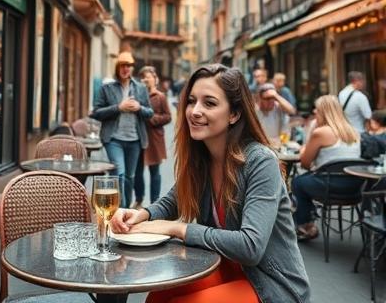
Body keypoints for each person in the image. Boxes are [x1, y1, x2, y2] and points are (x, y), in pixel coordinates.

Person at [111, 64, 310, 303]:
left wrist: (177, 229)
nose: (194, 111)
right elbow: (172, 202)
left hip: (271, 284)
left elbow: (250, 247)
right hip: (222, 266)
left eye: (210, 103)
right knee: (158, 297)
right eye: (192, 101)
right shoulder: (203, 157)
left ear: (234, 114)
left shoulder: (260, 161)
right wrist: (139, 214)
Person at [292, 95, 361, 241]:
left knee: (298, 182)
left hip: (330, 186)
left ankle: (306, 225)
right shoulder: (353, 131)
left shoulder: (321, 132)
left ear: (323, 112)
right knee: (305, 180)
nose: (314, 111)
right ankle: (309, 218)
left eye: (316, 109)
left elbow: (305, 163)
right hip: (355, 187)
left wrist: (309, 137)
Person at [91, 52, 153, 208]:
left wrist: (139, 108)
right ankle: (119, 212)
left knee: (129, 177)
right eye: (123, 65)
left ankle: (125, 212)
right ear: (117, 67)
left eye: (129, 66)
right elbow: (96, 113)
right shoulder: (107, 88)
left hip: (135, 140)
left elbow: (149, 113)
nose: (126, 69)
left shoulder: (140, 88)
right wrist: (118, 108)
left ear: (132, 68)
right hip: (113, 139)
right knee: (118, 175)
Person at [132, 66, 172, 209]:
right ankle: (139, 199)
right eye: (143, 78)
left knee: (155, 171)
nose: (146, 80)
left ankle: (155, 202)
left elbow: (168, 117)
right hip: (139, 136)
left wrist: (152, 118)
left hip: (155, 138)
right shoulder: (137, 96)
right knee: (137, 171)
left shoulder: (160, 96)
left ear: (155, 79)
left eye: (148, 77)